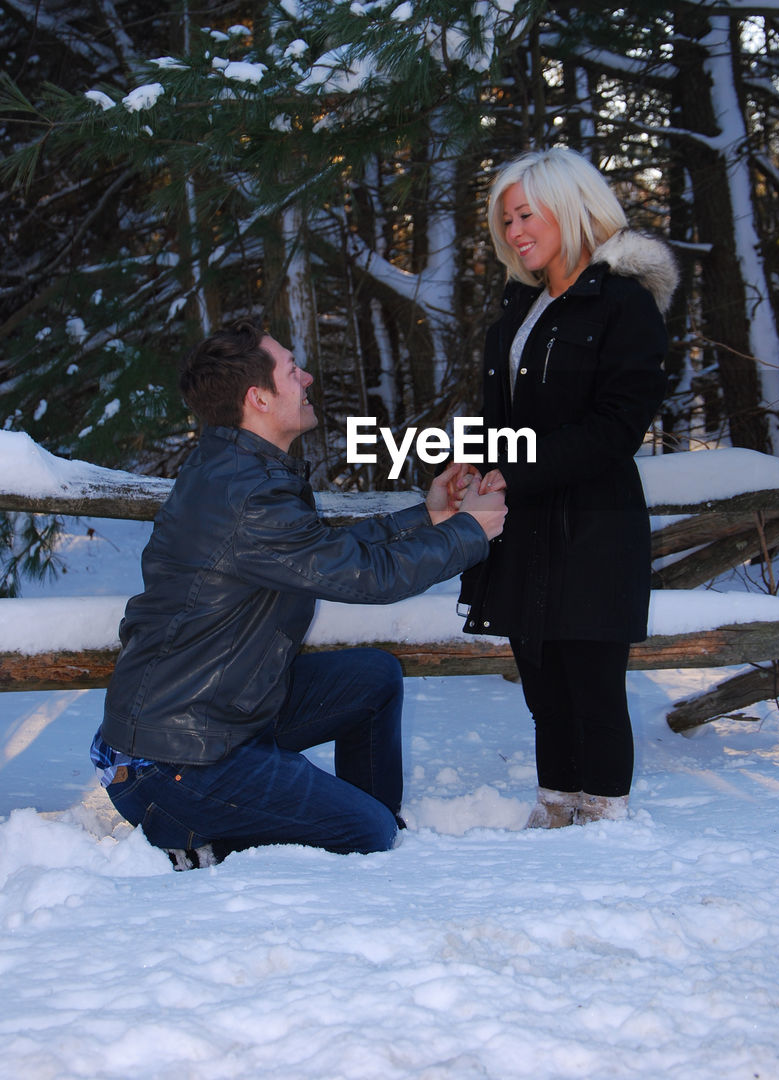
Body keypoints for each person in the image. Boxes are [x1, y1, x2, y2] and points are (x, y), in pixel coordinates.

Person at [91, 320, 506, 867]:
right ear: (258, 397)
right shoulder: (247, 492)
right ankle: (208, 838)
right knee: (370, 830)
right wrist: (469, 532)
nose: (306, 376)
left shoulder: (240, 470)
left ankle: (363, 831)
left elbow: (324, 551)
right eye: (292, 370)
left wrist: (430, 518)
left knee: (373, 679)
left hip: (219, 719)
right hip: (177, 764)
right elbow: (369, 577)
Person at [458, 147, 678, 827]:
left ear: (571, 206)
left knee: (591, 686)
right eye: (506, 220)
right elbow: (496, 424)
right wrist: (466, 466)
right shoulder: (516, 314)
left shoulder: (622, 304)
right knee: (543, 687)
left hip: (592, 525)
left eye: (526, 214)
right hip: (522, 529)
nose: (514, 231)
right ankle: (554, 810)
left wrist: (514, 470)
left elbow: (617, 426)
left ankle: (604, 820)